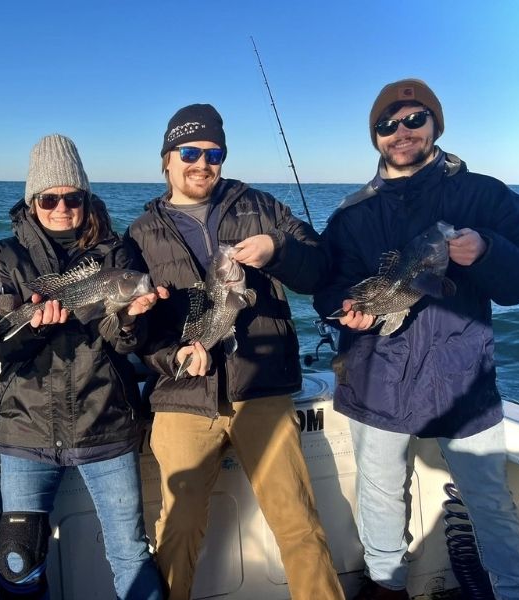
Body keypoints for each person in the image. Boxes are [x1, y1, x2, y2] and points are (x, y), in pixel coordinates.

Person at [313, 78, 519, 600]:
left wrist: (490, 249)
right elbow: (328, 283)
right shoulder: (350, 211)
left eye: (414, 119)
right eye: (387, 124)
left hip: (462, 379)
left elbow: (517, 284)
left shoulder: (482, 194)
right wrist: (343, 312)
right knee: (382, 495)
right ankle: (386, 586)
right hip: (375, 376)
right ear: (376, 136)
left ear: (435, 124)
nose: (401, 132)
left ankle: (514, 588)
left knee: (490, 498)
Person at [124, 103, 344, 600]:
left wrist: (278, 250)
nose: (202, 162)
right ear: (167, 158)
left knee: (299, 523)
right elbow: (136, 333)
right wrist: (172, 354)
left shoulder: (262, 208)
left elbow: (321, 269)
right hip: (182, 396)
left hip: (260, 389)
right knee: (176, 531)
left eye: (214, 152)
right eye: (190, 151)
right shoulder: (140, 233)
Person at [0, 134, 166, 600]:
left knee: (130, 552)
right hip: (26, 430)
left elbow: (130, 342)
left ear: (86, 198)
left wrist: (127, 318)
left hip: (104, 423)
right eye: (49, 198)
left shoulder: (117, 255)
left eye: (73, 197)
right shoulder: (3, 258)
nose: (62, 207)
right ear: (32, 200)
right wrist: (35, 327)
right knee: (18, 559)